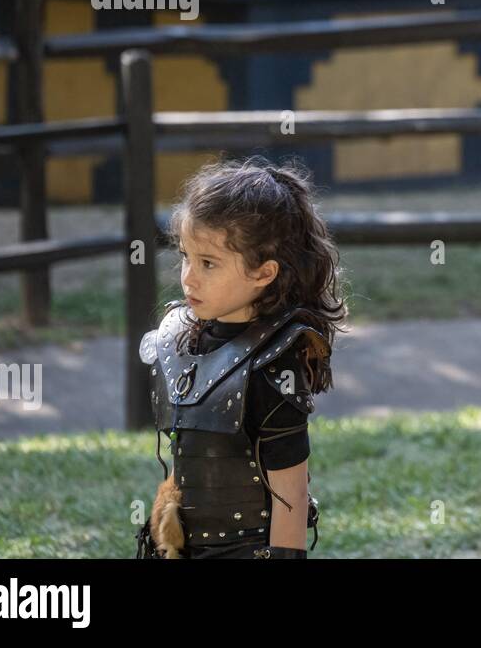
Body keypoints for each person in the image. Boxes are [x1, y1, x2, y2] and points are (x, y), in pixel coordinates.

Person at [136, 156, 346, 559]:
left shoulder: (273, 363)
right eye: (185, 256)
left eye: (208, 263)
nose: (188, 277)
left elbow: (291, 490)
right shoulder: (182, 342)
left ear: (264, 273)